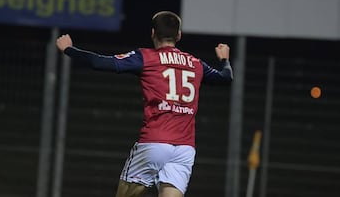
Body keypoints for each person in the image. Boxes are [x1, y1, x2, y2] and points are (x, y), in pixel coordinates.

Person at [56, 11, 233, 197]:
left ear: (152, 33)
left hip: (154, 142)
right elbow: (225, 78)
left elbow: (100, 63)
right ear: (178, 35)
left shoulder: (146, 57)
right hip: (184, 149)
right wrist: (224, 59)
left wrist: (69, 49)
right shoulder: (196, 63)